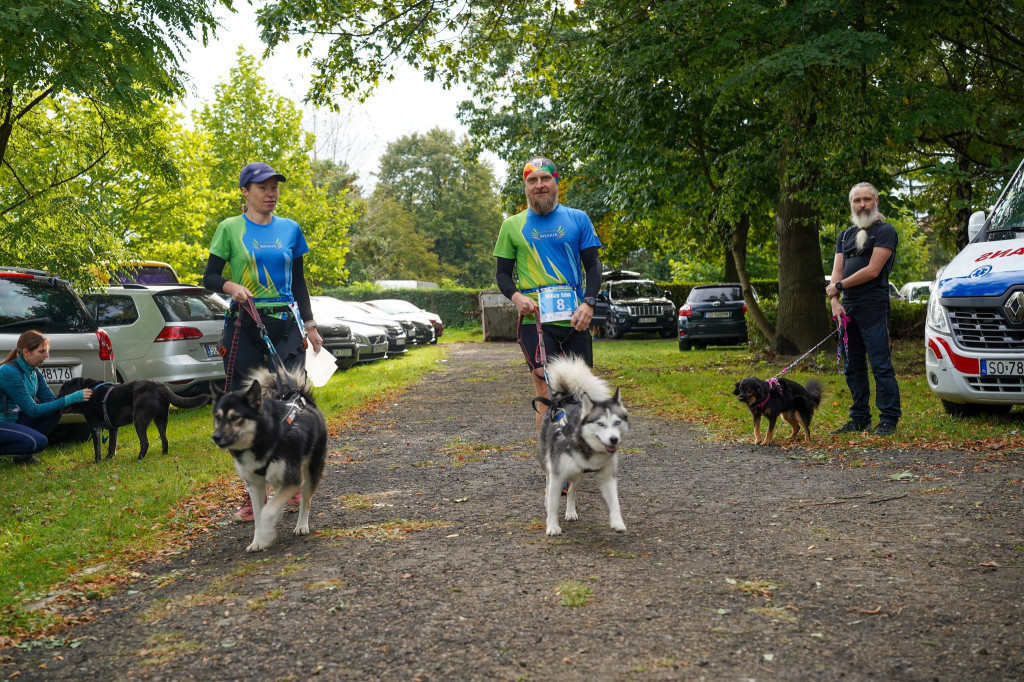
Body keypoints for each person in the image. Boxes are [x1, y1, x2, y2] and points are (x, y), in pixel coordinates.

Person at [203, 161, 323, 521]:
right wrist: (230, 286)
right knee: (247, 407)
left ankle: (290, 481)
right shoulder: (229, 229)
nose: (271, 194)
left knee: (291, 403)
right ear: (245, 192)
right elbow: (210, 275)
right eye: (263, 188)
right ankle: (251, 491)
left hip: (285, 324)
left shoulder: (290, 230)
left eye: (275, 188)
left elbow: (298, 283)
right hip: (244, 325)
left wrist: (311, 325)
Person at [494, 156, 603, 431]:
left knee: (578, 388)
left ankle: (577, 450)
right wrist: (517, 297)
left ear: (556, 182)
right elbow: (502, 274)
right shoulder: (511, 226)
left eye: (545, 179)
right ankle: (551, 460)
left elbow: (593, 265)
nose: (539, 185)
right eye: (532, 180)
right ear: (526, 186)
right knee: (544, 384)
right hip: (536, 322)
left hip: (575, 318)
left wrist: (589, 303)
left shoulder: (578, 218)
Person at [826, 181, 901, 436]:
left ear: (875, 201)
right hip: (847, 310)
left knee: (880, 365)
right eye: (857, 201)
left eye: (867, 200)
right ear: (851, 204)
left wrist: (838, 285)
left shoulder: (885, 231)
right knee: (852, 366)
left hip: (873, 307)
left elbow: (872, 271)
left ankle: (888, 419)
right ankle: (859, 418)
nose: (862, 205)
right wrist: (835, 301)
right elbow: (837, 270)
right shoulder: (846, 235)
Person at [0, 330, 92, 464]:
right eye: (41, 351)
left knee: (56, 410)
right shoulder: (9, 372)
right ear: (26, 352)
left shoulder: (34, 371)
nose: (47, 355)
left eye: (47, 351)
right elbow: (33, 410)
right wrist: (72, 398)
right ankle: (22, 453)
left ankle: (22, 457)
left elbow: (51, 401)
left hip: (13, 420)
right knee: (39, 442)